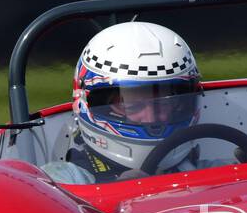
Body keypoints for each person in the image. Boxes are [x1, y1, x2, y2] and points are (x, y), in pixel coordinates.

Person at [50, 21, 207, 183]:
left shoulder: (208, 172)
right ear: (83, 101)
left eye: (165, 102)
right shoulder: (61, 183)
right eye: (132, 105)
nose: (150, 118)